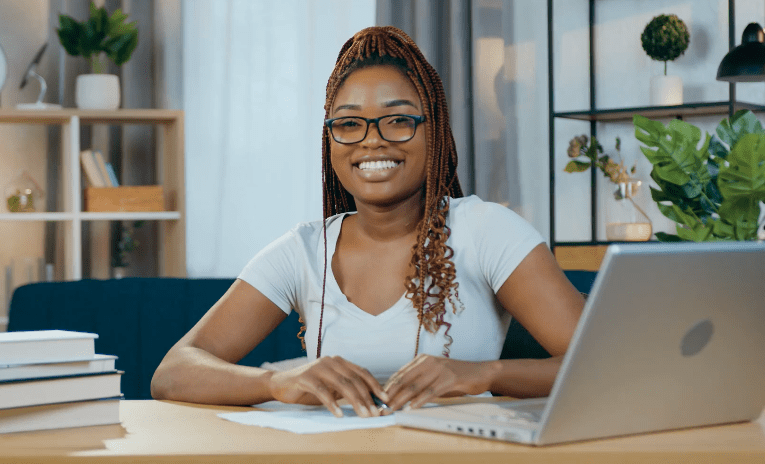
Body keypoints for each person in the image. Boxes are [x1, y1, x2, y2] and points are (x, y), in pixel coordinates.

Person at [151, 26, 584, 418]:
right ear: (331, 141)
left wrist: (485, 374)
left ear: (433, 132)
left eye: (398, 120)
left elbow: (602, 362)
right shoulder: (304, 250)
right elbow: (173, 372)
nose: (372, 139)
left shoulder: (486, 230)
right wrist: (275, 382)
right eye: (350, 124)